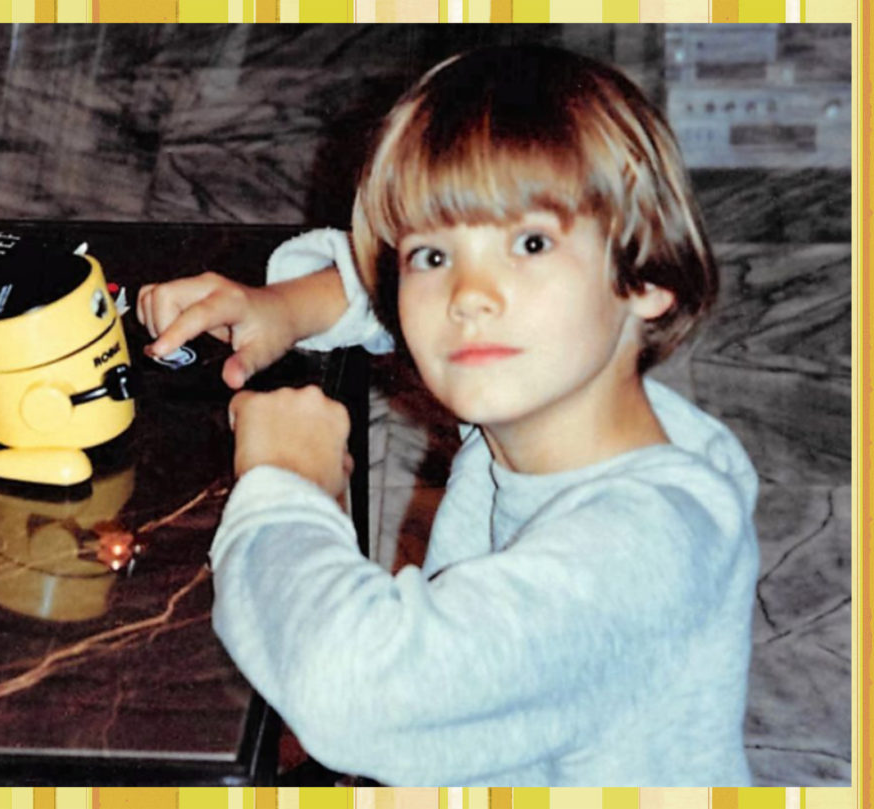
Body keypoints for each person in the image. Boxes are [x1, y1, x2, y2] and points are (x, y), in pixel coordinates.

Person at [136, 45, 759, 787]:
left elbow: (357, 693)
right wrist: (284, 307)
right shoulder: (554, 392)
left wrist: (287, 484)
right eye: (433, 256)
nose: (469, 294)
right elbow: (389, 288)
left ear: (646, 276)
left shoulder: (640, 552)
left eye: (530, 243)